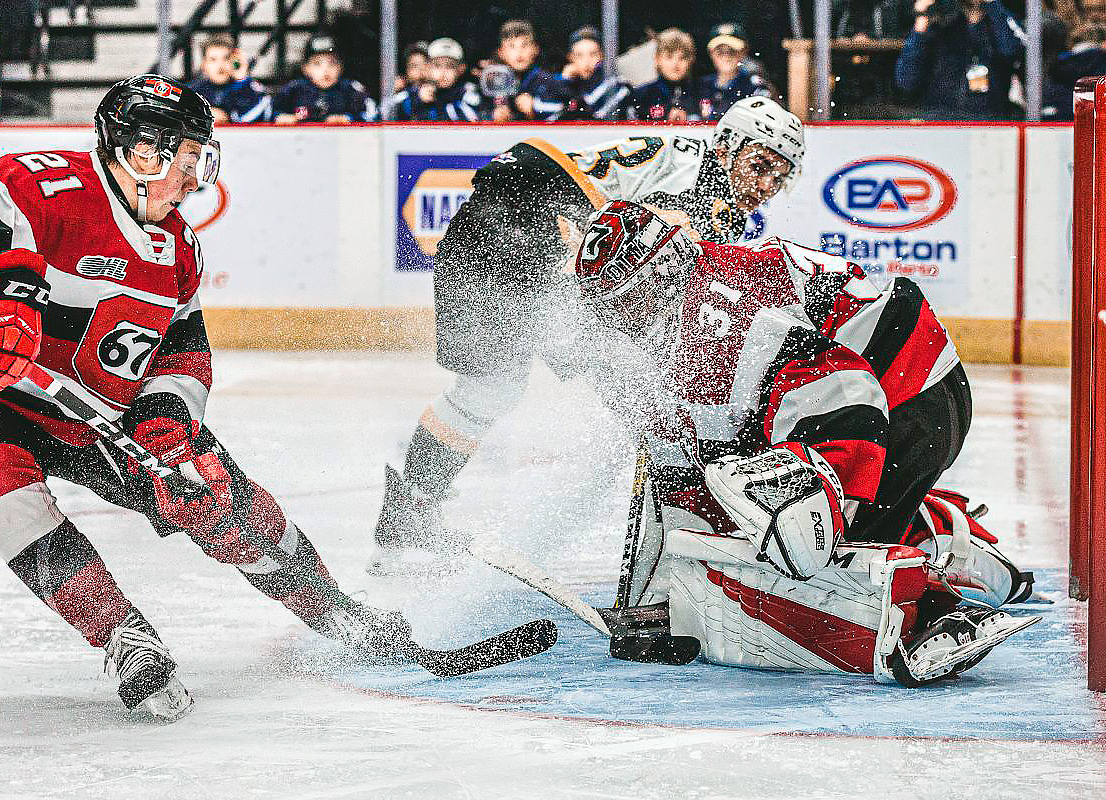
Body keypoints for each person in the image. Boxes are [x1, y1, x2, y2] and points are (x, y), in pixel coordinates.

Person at [0, 74, 411, 720]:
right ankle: (123, 634)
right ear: (142, 152)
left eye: (201, 158)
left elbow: (184, 351)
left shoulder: (178, 250)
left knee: (223, 502)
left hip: (101, 415)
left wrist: (167, 421)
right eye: (187, 158)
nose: (195, 178)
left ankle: (333, 610)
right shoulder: (44, 188)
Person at [571, 202, 1036, 684]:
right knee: (763, 508)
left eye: (627, 303)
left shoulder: (721, 322)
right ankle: (929, 529)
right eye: (609, 310)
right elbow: (676, 472)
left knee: (815, 552)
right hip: (884, 392)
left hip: (910, 397)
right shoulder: (691, 306)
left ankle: (932, 610)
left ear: (663, 277)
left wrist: (820, 516)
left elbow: (850, 398)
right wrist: (650, 606)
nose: (620, 322)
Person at [367, 97, 806, 575]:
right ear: (725, 147)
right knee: (635, 399)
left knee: (496, 390)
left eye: (778, 177)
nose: (765, 185)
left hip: (526, 251)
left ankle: (407, 516)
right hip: (512, 234)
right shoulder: (686, 165)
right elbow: (567, 198)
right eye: (759, 165)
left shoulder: (722, 209)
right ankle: (687, 533)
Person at [894, 0, 1025, 120]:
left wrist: (992, 4)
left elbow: (1012, 51)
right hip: (940, 121)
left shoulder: (1001, 22)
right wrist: (921, 19)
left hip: (987, 122)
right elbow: (906, 81)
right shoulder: (941, 27)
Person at [273, 34, 377, 124]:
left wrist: (348, 119)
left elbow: (373, 114)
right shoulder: (294, 89)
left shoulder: (351, 89)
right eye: (317, 64)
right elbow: (271, 112)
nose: (325, 70)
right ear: (305, 68)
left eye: (332, 63)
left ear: (341, 67)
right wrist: (280, 117)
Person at [536, 26, 630, 120]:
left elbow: (594, 112)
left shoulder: (614, 83)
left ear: (602, 56)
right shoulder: (565, 82)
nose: (586, 61)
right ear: (570, 58)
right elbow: (545, 113)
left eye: (593, 54)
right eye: (579, 55)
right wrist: (564, 79)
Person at [187, 34, 273, 124]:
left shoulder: (248, 86)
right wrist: (204, 114)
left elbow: (264, 115)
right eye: (213, 60)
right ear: (204, 64)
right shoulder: (194, 90)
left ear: (234, 61)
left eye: (226, 59)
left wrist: (242, 80)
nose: (220, 66)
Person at [389, 37, 481, 121]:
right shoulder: (410, 96)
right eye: (437, 66)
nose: (443, 72)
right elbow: (388, 116)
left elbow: (470, 120)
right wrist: (418, 101)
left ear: (460, 69)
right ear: (428, 68)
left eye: (450, 66)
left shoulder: (467, 94)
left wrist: (437, 103)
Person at [698, 23, 773, 121]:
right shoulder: (701, 86)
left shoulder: (754, 86)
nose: (726, 56)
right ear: (711, 53)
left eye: (732, 51)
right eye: (719, 51)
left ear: (743, 52)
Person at [626, 28, 703, 122]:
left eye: (682, 58)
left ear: (691, 60)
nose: (675, 64)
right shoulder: (640, 96)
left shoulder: (702, 92)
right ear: (657, 59)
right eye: (669, 57)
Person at [484, 19, 554, 121]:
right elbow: (476, 112)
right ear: (501, 52)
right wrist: (492, 116)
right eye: (511, 46)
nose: (519, 52)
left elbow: (564, 109)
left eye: (524, 45)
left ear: (536, 49)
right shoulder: (492, 82)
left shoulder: (547, 81)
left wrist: (535, 108)